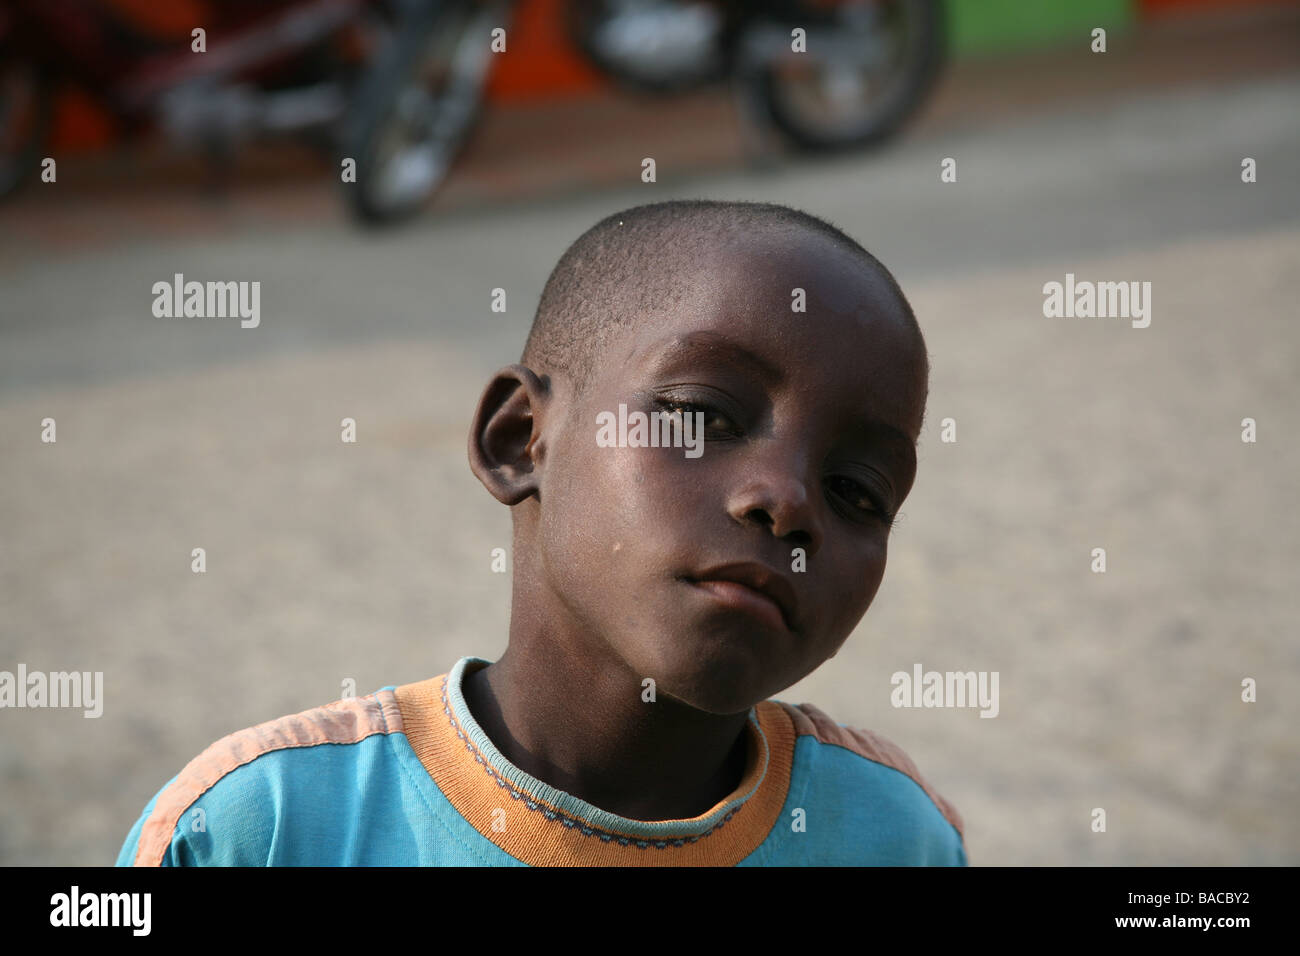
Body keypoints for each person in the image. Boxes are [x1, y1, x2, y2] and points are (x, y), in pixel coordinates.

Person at [116, 199, 967, 866]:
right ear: (520, 440)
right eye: (703, 415)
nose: (786, 503)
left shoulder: (895, 838)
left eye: (857, 489)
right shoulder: (263, 832)